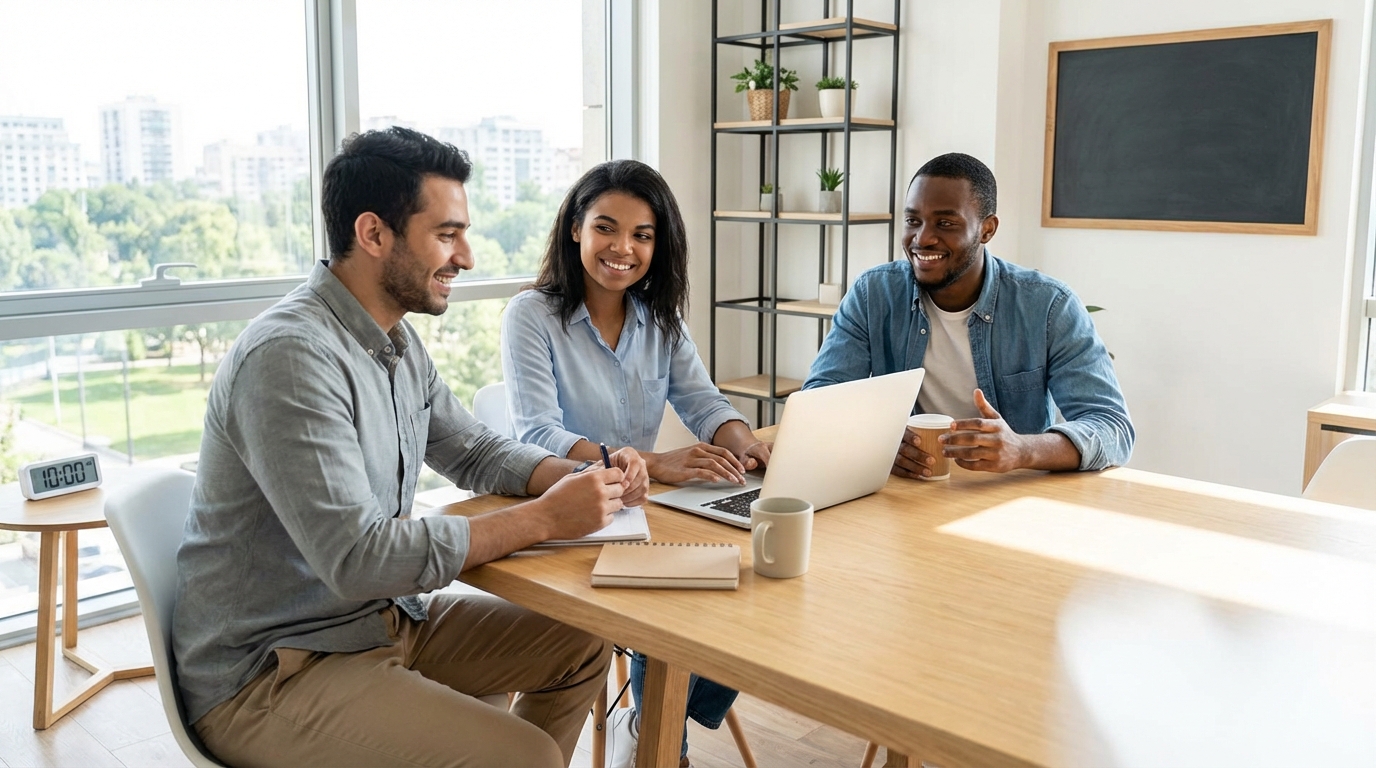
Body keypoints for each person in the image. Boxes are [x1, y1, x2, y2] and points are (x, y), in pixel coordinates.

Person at [172, 127, 650, 768]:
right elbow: (358, 557)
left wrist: (584, 476)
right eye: (447, 235)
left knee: (582, 645)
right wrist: (543, 518)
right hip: (274, 670)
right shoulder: (290, 356)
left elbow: (472, 449)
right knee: (523, 757)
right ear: (374, 235)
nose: (468, 257)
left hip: (379, 623)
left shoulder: (394, 342)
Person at [500, 159, 761, 768]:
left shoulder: (660, 320)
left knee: (756, 574)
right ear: (575, 229)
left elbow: (704, 403)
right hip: (562, 521)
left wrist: (743, 440)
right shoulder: (531, 316)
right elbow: (537, 433)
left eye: (642, 235)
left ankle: (652, 724)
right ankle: (663, 746)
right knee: (672, 602)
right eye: (606, 228)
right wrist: (653, 462)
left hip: (638, 519)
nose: (623, 248)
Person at [804, 152, 1134, 474]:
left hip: (1011, 496)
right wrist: (880, 441)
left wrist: (1022, 450)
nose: (923, 239)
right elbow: (820, 402)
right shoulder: (874, 294)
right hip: (908, 492)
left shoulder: (1048, 306)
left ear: (987, 230)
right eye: (912, 221)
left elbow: (1112, 427)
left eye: (945, 223)